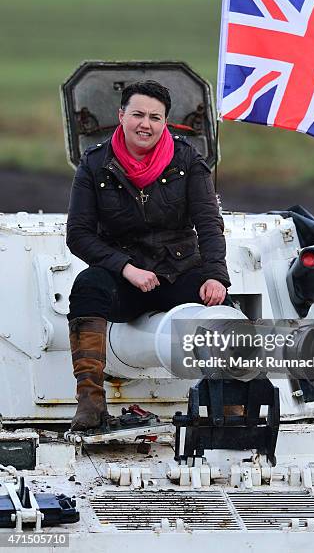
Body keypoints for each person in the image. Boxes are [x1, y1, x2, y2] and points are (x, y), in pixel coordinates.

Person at [66, 80, 231, 431]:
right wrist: (125, 268)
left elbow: (209, 224)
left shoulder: (188, 160)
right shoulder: (94, 165)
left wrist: (216, 276)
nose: (146, 124)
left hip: (179, 271)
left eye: (155, 117)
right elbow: (78, 235)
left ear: (165, 122)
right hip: (124, 278)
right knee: (87, 286)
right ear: (121, 115)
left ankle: (229, 405)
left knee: (224, 309)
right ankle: (90, 403)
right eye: (138, 114)